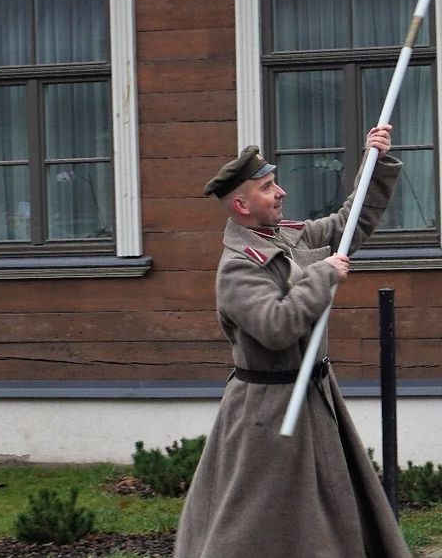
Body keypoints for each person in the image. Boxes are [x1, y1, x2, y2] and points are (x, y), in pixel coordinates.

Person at [174, 124, 411, 558]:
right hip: (266, 413)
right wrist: (324, 275)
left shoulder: (288, 237)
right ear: (242, 205)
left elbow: (348, 225)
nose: (280, 192)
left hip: (315, 398)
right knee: (257, 526)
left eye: (276, 183)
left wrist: (373, 162)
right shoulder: (238, 268)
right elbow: (276, 326)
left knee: (329, 514)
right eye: (267, 188)